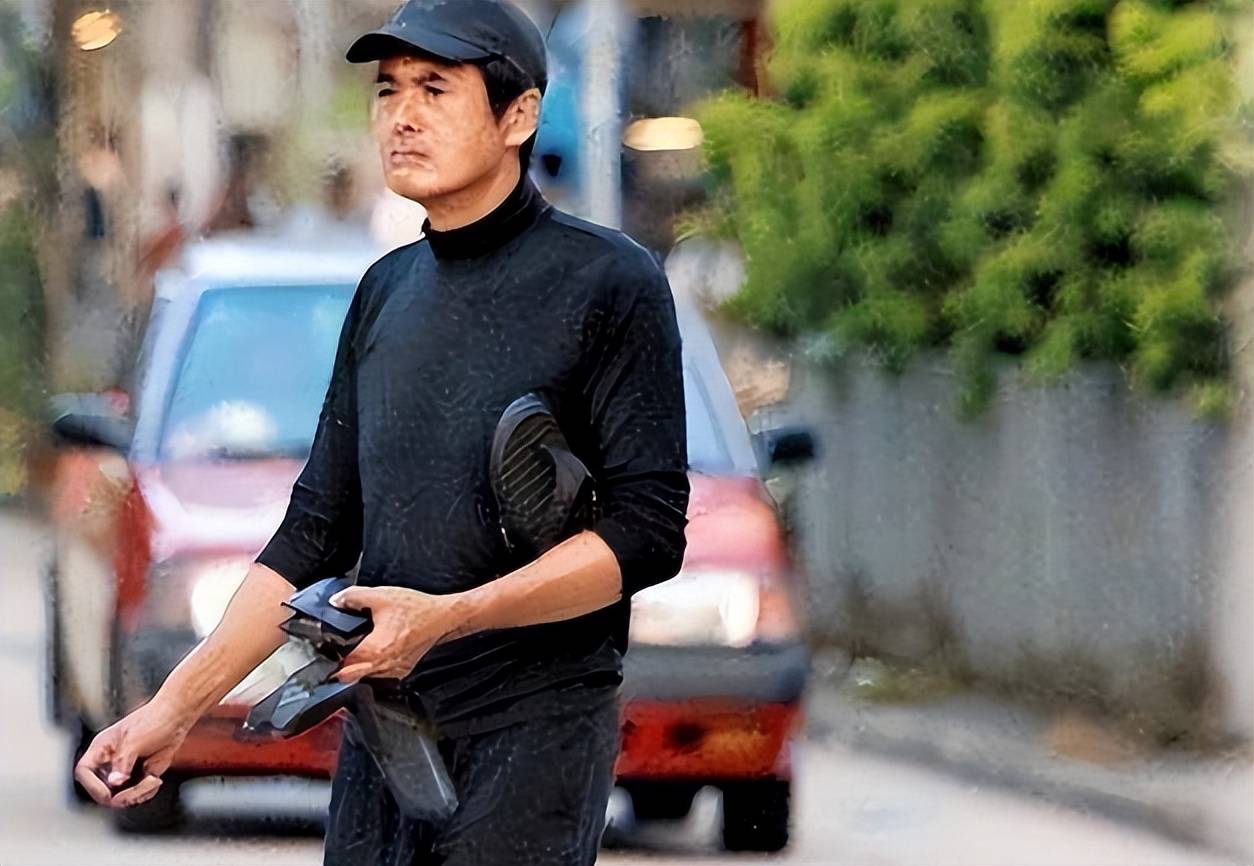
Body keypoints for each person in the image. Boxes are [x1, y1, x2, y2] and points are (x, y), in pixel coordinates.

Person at [74, 1, 690, 864]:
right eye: (388, 89)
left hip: (534, 736)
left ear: (518, 115)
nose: (401, 115)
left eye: (435, 89)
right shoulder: (385, 291)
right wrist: (172, 710)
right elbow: (313, 533)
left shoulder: (609, 281)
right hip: (387, 733)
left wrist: (450, 616)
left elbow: (647, 535)